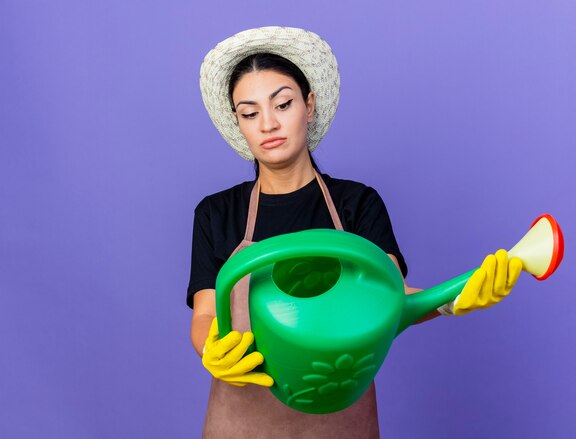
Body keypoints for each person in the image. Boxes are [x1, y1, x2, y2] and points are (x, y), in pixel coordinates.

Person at [187, 27, 523, 439]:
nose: (268, 124)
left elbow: (391, 299)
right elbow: (205, 314)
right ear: (238, 123)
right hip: (239, 419)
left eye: (283, 104)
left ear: (308, 105)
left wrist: (456, 297)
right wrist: (211, 351)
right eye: (250, 112)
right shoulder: (216, 213)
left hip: (341, 420)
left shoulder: (357, 204)